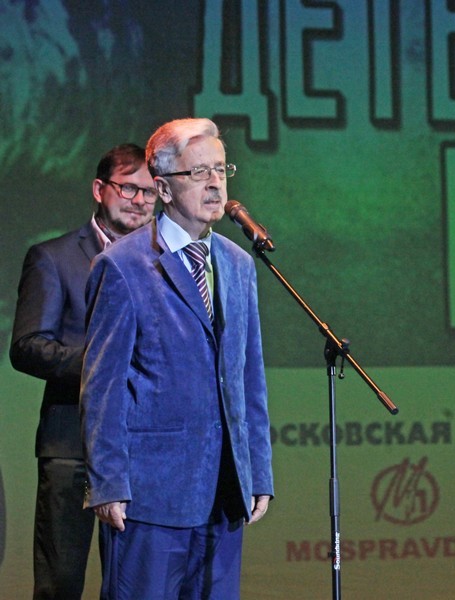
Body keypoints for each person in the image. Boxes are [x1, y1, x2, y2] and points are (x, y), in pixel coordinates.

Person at [80, 117, 274, 599]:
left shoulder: (238, 264)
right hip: (151, 498)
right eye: (198, 172)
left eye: (221, 169)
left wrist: (257, 471)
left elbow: (249, 378)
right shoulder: (122, 266)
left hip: (224, 494)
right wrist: (108, 482)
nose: (215, 183)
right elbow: (103, 387)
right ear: (163, 188)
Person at [9, 143, 156, 599]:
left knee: (137, 586)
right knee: (61, 584)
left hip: (142, 451)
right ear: (99, 189)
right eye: (128, 188)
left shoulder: (164, 262)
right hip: (71, 446)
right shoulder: (53, 257)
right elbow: (28, 347)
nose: (139, 201)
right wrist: (104, 363)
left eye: (150, 192)